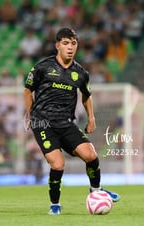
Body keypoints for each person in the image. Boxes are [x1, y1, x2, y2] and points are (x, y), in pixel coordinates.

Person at [23, 27, 120, 215]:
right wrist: (30, 114)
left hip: (66, 122)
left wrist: (91, 117)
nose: (70, 47)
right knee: (58, 164)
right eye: (66, 43)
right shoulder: (42, 67)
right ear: (57, 45)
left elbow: (86, 95)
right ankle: (55, 204)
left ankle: (96, 191)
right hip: (43, 122)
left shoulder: (80, 73)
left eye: (73, 43)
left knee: (91, 155)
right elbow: (28, 90)